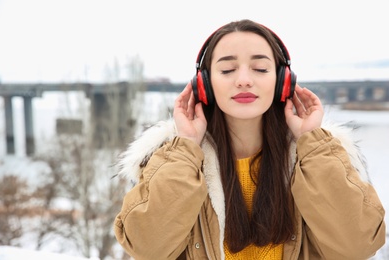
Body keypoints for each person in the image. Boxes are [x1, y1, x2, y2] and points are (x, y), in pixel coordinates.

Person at [114, 19, 386, 259]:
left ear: (283, 81)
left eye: (260, 68)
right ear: (204, 85)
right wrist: (186, 146)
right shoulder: (175, 159)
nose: (244, 80)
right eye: (227, 70)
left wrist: (311, 143)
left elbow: (357, 247)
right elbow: (146, 248)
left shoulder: (318, 156)